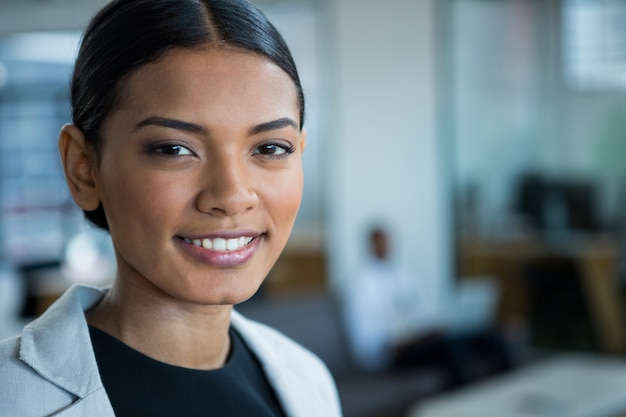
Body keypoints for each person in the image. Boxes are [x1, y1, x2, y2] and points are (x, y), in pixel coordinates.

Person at [0, 1, 342, 416]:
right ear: (84, 169)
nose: (232, 195)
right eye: (174, 149)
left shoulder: (308, 381)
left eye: (271, 148)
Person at [344, 227, 513, 386]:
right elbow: (372, 343)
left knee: (485, 335)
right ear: (370, 245)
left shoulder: (400, 274)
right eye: (380, 242)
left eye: (387, 242)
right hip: (394, 352)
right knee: (455, 346)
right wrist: (409, 340)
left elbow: (417, 310)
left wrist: (429, 329)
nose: (385, 247)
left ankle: (507, 389)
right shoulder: (363, 283)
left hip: (418, 338)